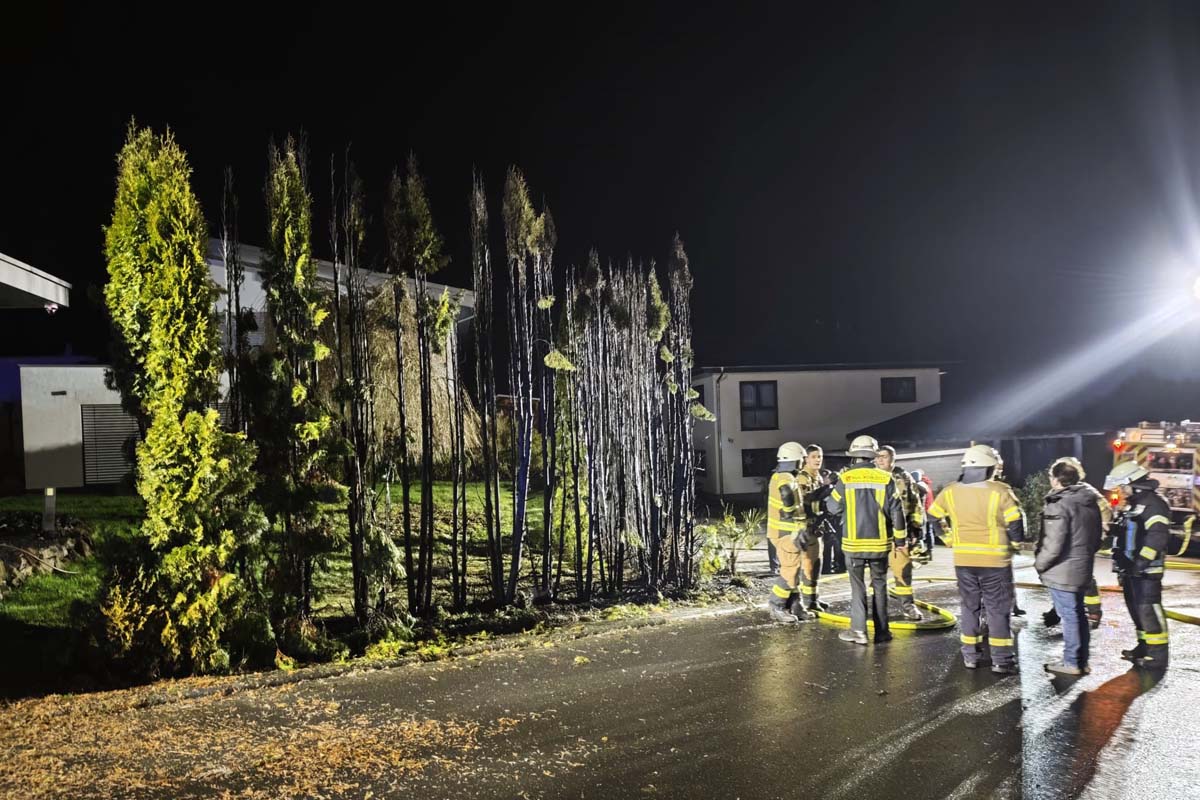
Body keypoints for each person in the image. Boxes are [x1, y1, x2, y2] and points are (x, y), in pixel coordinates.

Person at [928, 444, 1026, 674]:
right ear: (989, 467)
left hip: (964, 561)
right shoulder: (1000, 491)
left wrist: (949, 539)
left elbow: (932, 516)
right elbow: (1015, 522)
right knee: (997, 610)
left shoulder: (951, 491)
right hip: (995, 563)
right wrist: (1015, 543)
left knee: (969, 607)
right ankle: (1002, 661)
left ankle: (970, 656)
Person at [826, 435, 906, 645]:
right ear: (873, 455)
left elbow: (833, 507)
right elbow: (897, 512)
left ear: (853, 456)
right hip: (879, 544)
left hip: (853, 544)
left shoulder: (845, 479)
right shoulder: (886, 478)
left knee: (858, 586)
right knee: (880, 586)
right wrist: (900, 540)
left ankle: (859, 632)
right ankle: (882, 632)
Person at [1035, 459, 1103, 676]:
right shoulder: (1088, 500)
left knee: (1070, 615)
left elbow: (1054, 543)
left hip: (1062, 570)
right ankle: (1081, 661)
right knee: (1078, 614)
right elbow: (1097, 536)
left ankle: (1072, 662)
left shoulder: (1060, 503)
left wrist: (1040, 564)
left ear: (1056, 479)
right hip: (1082, 565)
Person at [1104, 461, 1172, 669]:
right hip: (1132, 569)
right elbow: (1133, 530)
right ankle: (1144, 647)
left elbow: (1156, 537)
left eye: (1122, 487)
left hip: (1146, 570)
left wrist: (1140, 563)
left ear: (1131, 483)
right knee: (1136, 610)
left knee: (1148, 611)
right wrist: (1116, 530)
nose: (1121, 491)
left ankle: (1158, 657)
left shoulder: (1154, 504)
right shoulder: (1135, 503)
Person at [1041, 456, 1110, 630]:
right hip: (1069, 540)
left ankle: (1092, 612)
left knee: (1082, 577)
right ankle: (1059, 611)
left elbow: (1106, 511)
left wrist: (1100, 531)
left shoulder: (1086, 492)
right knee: (1062, 576)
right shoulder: (1063, 492)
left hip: (1079, 541)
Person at [765, 441, 813, 623]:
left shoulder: (780, 476)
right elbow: (786, 494)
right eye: (801, 459)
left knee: (794, 568)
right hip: (785, 534)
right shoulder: (785, 477)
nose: (802, 463)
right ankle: (776, 605)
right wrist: (791, 508)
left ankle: (795, 605)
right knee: (790, 571)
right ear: (795, 460)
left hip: (787, 533)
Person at [874, 446, 924, 620]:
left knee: (903, 570)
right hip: (877, 532)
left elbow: (915, 502)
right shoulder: (871, 477)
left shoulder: (903, 477)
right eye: (877, 457)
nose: (880, 460)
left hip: (900, 534)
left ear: (893, 459)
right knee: (877, 573)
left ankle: (908, 606)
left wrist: (916, 527)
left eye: (884, 457)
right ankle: (879, 608)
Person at [794, 444, 833, 614]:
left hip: (816, 527)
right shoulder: (802, 478)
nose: (818, 459)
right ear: (806, 459)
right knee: (808, 565)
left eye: (820, 456)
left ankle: (813, 599)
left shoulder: (816, 477)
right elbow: (804, 504)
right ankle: (805, 602)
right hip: (807, 528)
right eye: (814, 456)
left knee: (815, 564)